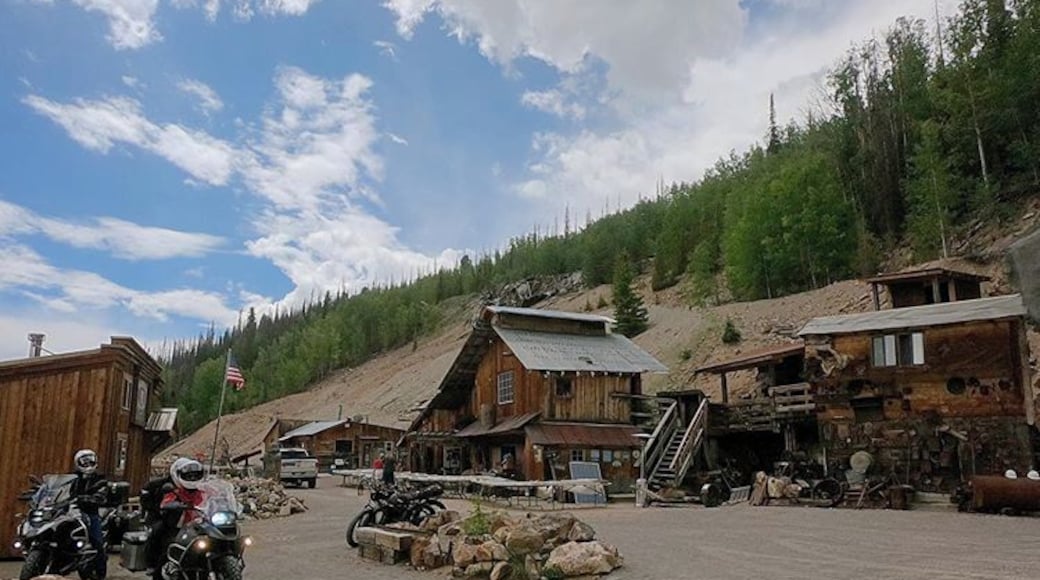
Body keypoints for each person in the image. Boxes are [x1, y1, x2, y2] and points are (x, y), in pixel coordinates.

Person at [152, 459, 206, 580]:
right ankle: (160, 573)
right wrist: (175, 505)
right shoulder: (175, 492)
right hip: (179, 529)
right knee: (169, 548)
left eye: (195, 475)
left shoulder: (204, 491)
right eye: (189, 476)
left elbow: (216, 499)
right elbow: (165, 503)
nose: (192, 478)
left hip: (201, 528)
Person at [69, 449, 108, 580]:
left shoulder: (100, 479)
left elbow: (101, 494)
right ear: (77, 463)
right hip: (70, 512)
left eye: (91, 461)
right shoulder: (72, 478)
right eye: (84, 462)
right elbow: (60, 489)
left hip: (90, 512)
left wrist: (88, 498)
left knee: (97, 542)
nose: (88, 465)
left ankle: (100, 571)